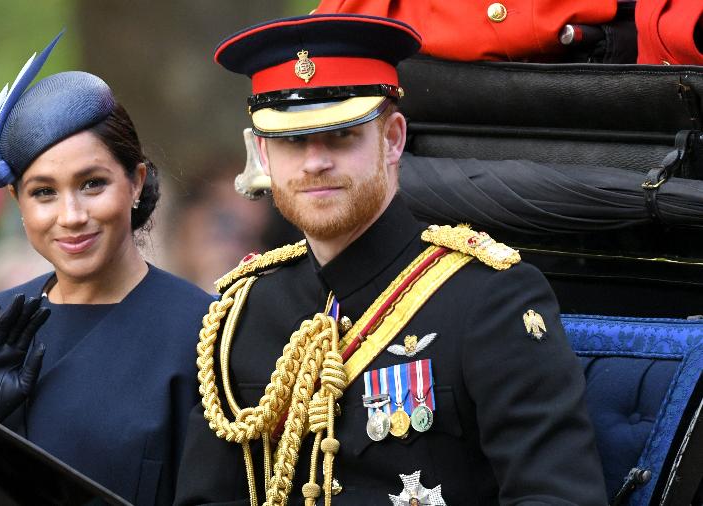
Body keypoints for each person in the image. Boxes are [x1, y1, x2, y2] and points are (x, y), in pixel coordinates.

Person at [175, 13, 607, 505]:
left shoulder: (490, 298)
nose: (315, 162)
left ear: (393, 139)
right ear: (264, 157)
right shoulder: (243, 312)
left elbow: (556, 497)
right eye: (292, 141)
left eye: (341, 136)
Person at [0, 34, 212, 506]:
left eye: (92, 184)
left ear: (135, 182)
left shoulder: (205, 336)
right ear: (18, 202)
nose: (71, 214)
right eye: (43, 192)